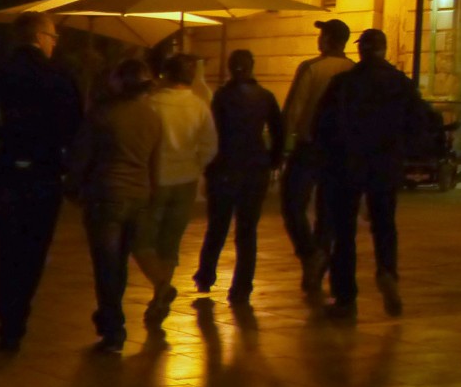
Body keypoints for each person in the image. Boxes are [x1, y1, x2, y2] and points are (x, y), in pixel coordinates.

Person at [0, 13, 86, 350]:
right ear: (42, 37)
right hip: (45, 173)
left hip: (4, 172)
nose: (55, 43)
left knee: (4, 248)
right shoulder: (61, 77)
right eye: (53, 37)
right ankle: (20, 313)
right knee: (34, 248)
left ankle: (7, 319)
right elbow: (76, 130)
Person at [313, 28, 430, 319]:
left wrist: (327, 158)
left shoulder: (343, 83)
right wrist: (403, 153)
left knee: (344, 232)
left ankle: (345, 297)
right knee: (384, 225)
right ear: (384, 50)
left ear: (361, 51)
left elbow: (322, 124)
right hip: (385, 164)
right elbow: (419, 123)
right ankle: (387, 271)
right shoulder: (401, 83)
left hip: (347, 164)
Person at [76, 60, 163, 352]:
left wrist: (73, 187)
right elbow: (154, 162)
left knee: (106, 265)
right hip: (138, 196)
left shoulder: (102, 115)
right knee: (120, 262)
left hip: (107, 195)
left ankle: (113, 327)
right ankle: (109, 318)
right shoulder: (152, 117)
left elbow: (81, 158)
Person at [195, 49, 285, 306]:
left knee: (217, 226)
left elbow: (213, 133)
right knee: (247, 231)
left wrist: (208, 167)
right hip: (255, 168)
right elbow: (279, 132)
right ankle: (242, 286)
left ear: (229, 68)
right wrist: (273, 160)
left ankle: (205, 275)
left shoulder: (222, 97)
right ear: (252, 66)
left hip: (225, 167)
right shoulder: (266, 97)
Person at [141, 54, 219, 321]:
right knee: (170, 242)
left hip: (155, 179)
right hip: (186, 180)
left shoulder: (152, 104)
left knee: (141, 239)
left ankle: (161, 288)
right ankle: (160, 295)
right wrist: (195, 165)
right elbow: (210, 145)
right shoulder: (199, 106)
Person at [282, 19, 353, 293]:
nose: (318, 39)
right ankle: (319, 257)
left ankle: (310, 254)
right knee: (328, 210)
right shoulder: (353, 70)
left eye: (322, 35)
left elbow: (294, 109)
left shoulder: (311, 68)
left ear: (329, 40)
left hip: (310, 146)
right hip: (340, 150)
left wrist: (283, 144)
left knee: (293, 204)